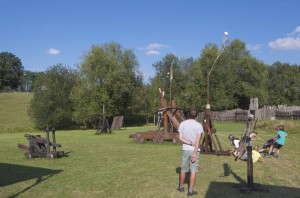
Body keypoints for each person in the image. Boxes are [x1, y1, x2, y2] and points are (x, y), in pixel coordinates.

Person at [177, 108, 203, 196]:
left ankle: (181, 187)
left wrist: (190, 143)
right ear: (196, 115)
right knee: (193, 171)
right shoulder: (199, 125)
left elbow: (180, 138)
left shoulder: (182, 124)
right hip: (194, 150)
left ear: (188, 114)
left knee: (183, 169)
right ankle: (190, 191)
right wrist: (195, 153)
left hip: (185, 149)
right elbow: (198, 141)